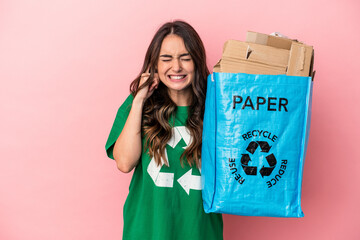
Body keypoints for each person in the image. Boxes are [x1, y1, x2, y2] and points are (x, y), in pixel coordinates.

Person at [105, 20, 223, 240]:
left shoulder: (218, 106)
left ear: (196, 61)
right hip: (147, 232)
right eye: (166, 59)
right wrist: (139, 98)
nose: (176, 67)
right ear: (154, 65)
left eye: (185, 58)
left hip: (200, 232)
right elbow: (124, 162)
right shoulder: (138, 106)